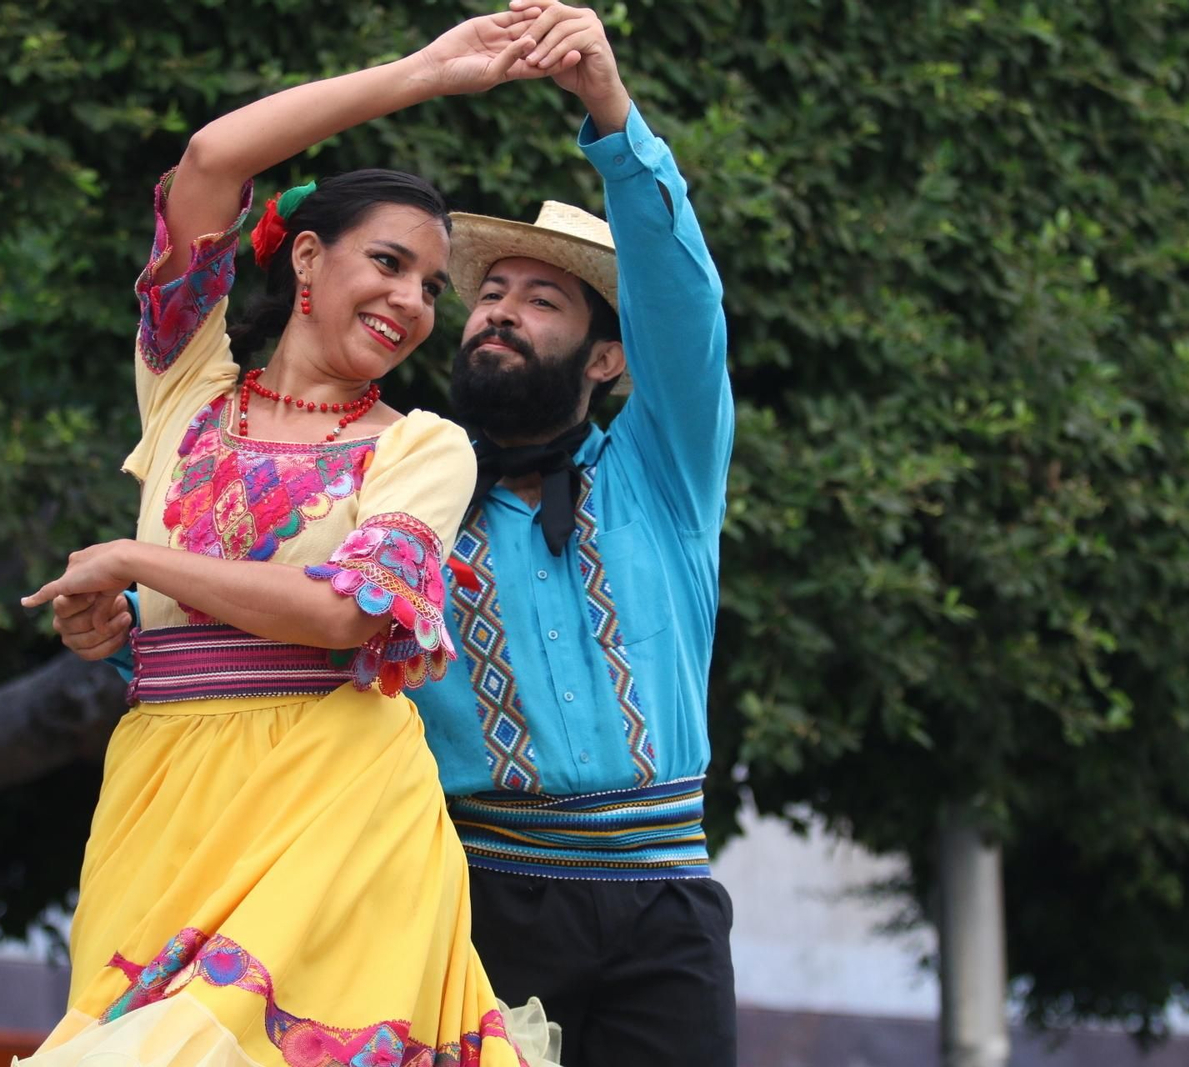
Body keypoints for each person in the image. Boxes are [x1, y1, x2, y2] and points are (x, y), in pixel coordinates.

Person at [17, 10, 574, 1065]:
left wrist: (136, 564)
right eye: (389, 262)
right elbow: (212, 158)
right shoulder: (184, 382)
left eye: (428, 286)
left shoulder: (424, 447)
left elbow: (343, 611)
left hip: (341, 796)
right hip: (164, 786)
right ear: (308, 257)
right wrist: (421, 74)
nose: (411, 301)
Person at [426, 4, 738, 1064]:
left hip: (665, 908)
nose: (499, 309)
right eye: (490, 292)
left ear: (606, 357)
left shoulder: (666, 471)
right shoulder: (396, 491)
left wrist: (607, 109)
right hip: (471, 900)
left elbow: (680, 301)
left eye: (542, 298)